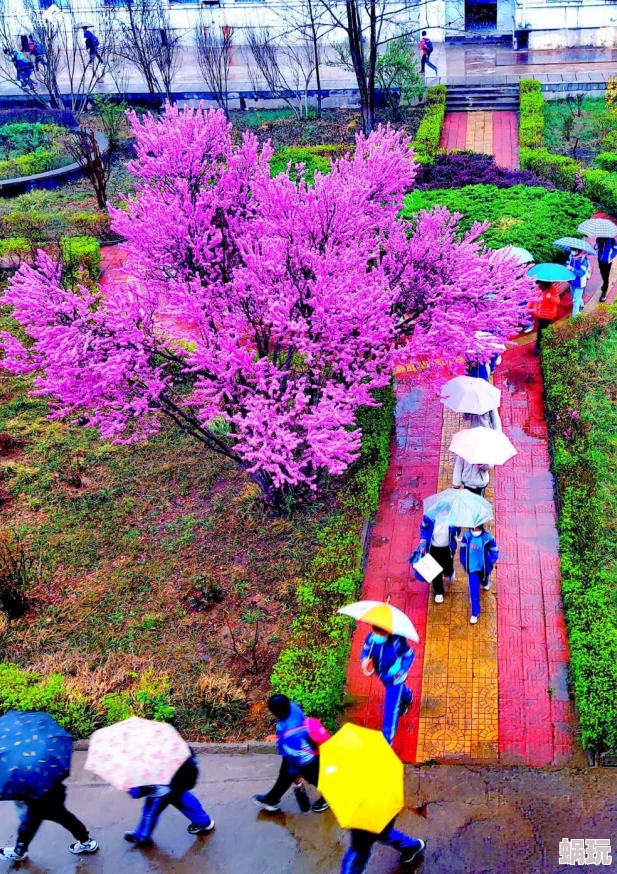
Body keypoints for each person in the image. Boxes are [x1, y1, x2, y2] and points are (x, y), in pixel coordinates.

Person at [252, 695, 329, 814]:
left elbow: (294, 758)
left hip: (304, 760)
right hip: (304, 749)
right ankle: (272, 799)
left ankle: (328, 798)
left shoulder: (291, 734)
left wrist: (295, 773)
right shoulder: (292, 707)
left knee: (314, 778)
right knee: (285, 775)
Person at [124, 751, 214, 845]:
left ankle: (142, 835)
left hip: (159, 791)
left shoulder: (143, 757)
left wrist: (131, 790)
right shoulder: (168, 742)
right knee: (185, 802)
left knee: (149, 814)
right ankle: (205, 822)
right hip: (177, 780)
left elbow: (140, 787)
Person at [0, 780, 99, 862]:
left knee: (27, 829)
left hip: (36, 804)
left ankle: (19, 852)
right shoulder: (46, 761)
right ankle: (86, 841)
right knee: (67, 819)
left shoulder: (17, 774)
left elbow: (15, 792)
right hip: (54, 796)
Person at [360, 627, 414, 744]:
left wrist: (401, 669)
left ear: (388, 632)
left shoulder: (397, 641)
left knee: (391, 709)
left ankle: (387, 740)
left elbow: (409, 655)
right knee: (399, 692)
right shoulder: (371, 638)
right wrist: (364, 660)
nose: (377, 635)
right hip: (382, 676)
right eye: (375, 631)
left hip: (395, 679)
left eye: (380, 633)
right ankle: (407, 696)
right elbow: (366, 651)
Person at [341, 818, 425, 874]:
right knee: (381, 831)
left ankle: (411, 846)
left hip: (363, 820)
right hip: (373, 812)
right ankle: (411, 846)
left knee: (357, 853)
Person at [459, 523, 499, 624]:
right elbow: (462, 551)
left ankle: (486, 582)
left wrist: (491, 560)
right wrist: (464, 563)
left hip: (484, 569)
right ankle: (475, 613)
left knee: (484, 581)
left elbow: (494, 550)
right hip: (472, 570)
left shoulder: (487, 538)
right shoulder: (467, 537)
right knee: (474, 591)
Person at [417, 511, 458, 605]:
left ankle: (450, 571)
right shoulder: (429, 517)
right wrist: (423, 542)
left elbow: (457, 531)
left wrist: (455, 527)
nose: (444, 513)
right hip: (433, 549)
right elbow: (423, 528)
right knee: (435, 571)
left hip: (448, 549)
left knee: (447, 567)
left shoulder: (452, 518)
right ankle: (439, 591)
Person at [531, 280, 560, 354]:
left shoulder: (553, 290)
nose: (539, 286)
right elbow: (532, 299)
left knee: (540, 330)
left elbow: (557, 301)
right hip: (539, 314)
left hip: (548, 315)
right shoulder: (538, 288)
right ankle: (545, 341)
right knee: (543, 329)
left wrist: (550, 297)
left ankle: (538, 347)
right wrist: (529, 309)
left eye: (541, 285)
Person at [566, 247, 590, 317]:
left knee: (575, 301)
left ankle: (574, 317)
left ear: (578, 250)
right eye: (572, 249)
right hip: (571, 282)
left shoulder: (583, 260)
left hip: (579, 284)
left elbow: (581, 273)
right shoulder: (571, 256)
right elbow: (566, 264)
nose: (572, 251)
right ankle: (581, 304)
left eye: (574, 250)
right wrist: (566, 267)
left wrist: (572, 269)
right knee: (574, 297)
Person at [595, 236, 617, 302]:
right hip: (600, 259)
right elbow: (596, 245)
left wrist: (611, 256)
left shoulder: (612, 239)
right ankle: (604, 285)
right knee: (602, 273)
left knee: (605, 276)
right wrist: (596, 246)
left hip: (608, 261)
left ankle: (604, 293)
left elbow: (615, 248)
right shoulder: (599, 238)